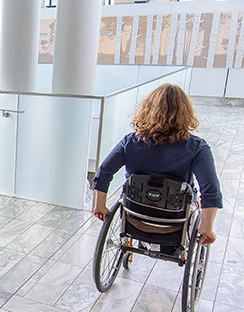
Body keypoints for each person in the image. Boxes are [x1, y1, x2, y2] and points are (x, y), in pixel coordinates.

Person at [91, 83, 221, 245]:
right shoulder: (197, 147)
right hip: (175, 221)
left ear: (148, 110)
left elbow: (104, 170)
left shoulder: (130, 142)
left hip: (134, 216)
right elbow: (211, 189)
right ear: (186, 113)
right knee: (194, 199)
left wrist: (100, 205)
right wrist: (207, 228)